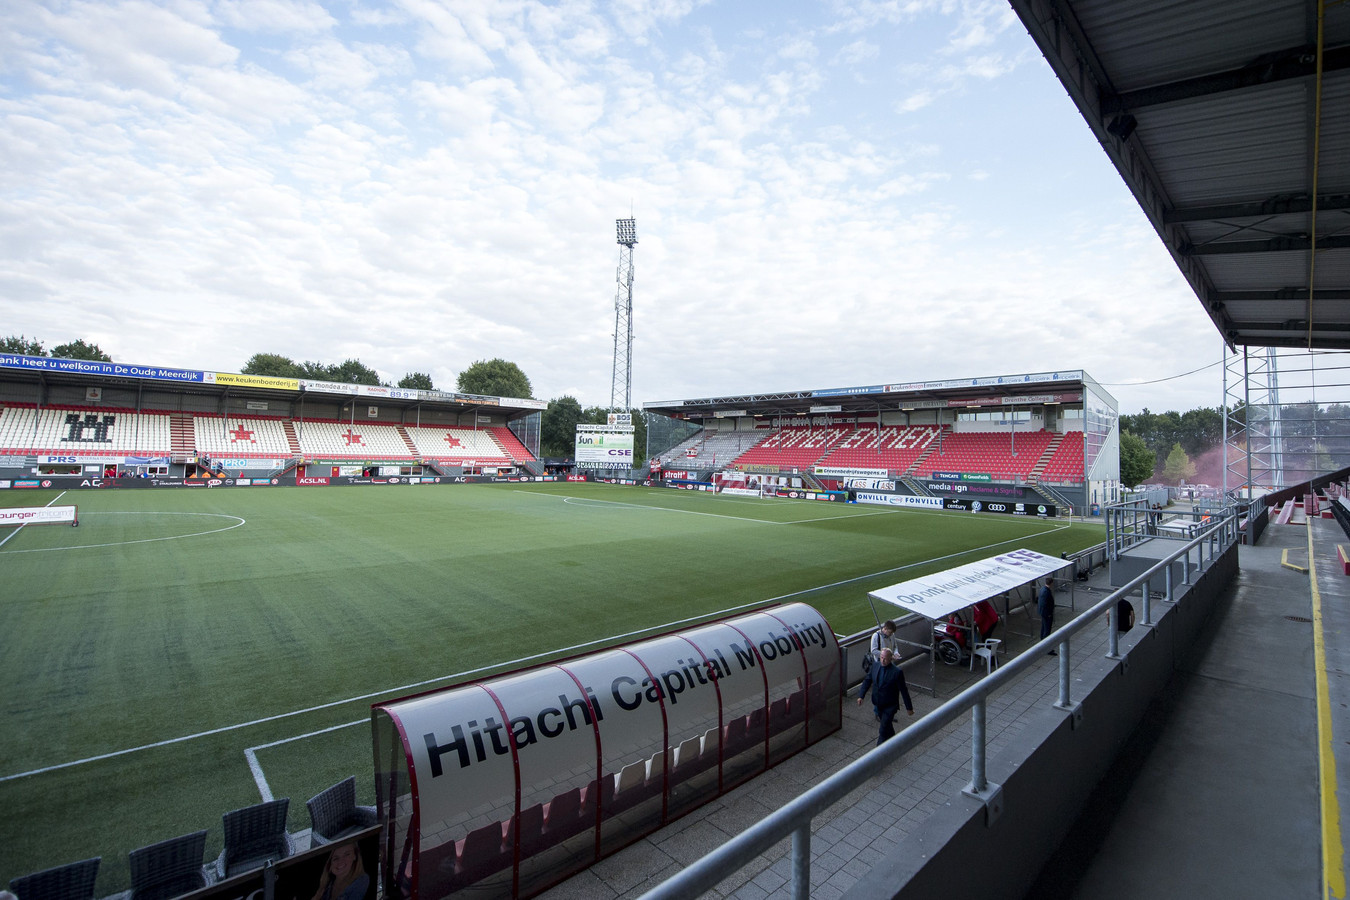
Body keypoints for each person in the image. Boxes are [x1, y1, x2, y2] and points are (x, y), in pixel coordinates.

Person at [856, 647, 914, 745]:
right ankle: (894, 742)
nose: (883, 660)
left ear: (891, 658)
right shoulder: (875, 666)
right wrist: (861, 695)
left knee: (883, 730)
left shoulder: (897, 672)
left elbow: (904, 690)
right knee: (887, 726)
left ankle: (878, 754)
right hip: (878, 703)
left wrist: (909, 708)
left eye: (885, 658)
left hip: (890, 705)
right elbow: (867, 680)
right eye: (881, 657)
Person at [1038, 576, 1056, 654]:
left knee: (1043, 628)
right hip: (1047, 614)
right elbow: (1045, 604)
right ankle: (1047, 648)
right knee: (1047, 630)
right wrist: (1049, 614)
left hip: (1043, 613)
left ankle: (1042, 643)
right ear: (1051, 583)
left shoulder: (1042, 589)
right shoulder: (1046, 592)